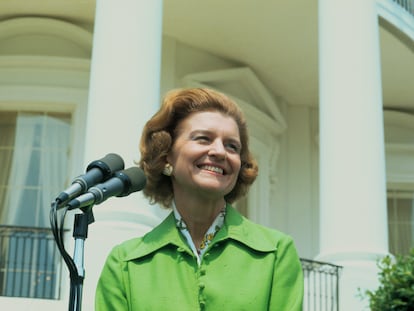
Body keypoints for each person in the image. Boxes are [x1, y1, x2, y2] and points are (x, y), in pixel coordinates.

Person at [95, 88, 304, 310]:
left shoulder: (276, 253)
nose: (220, 152)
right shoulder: (125, 263)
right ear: (167, 155)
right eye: (203, 139)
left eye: (232, 146)